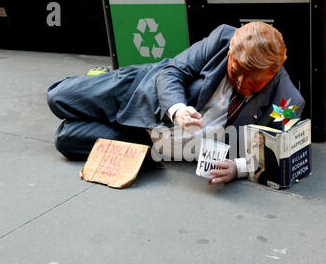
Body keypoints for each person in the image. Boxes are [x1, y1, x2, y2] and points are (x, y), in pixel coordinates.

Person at [47, 22, 305, 185]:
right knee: (57, 97)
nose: (240, 81)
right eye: (235, 69)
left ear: (274, 72)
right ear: (230, 53)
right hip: (142, 94)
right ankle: (103, 80)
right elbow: (171, 72)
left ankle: (119, 129)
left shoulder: (288, 101)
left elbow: (283, 151)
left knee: (67, 139)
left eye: (253, 81)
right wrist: (178, 109)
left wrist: (237, 168)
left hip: (154, 143)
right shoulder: (223, 38)